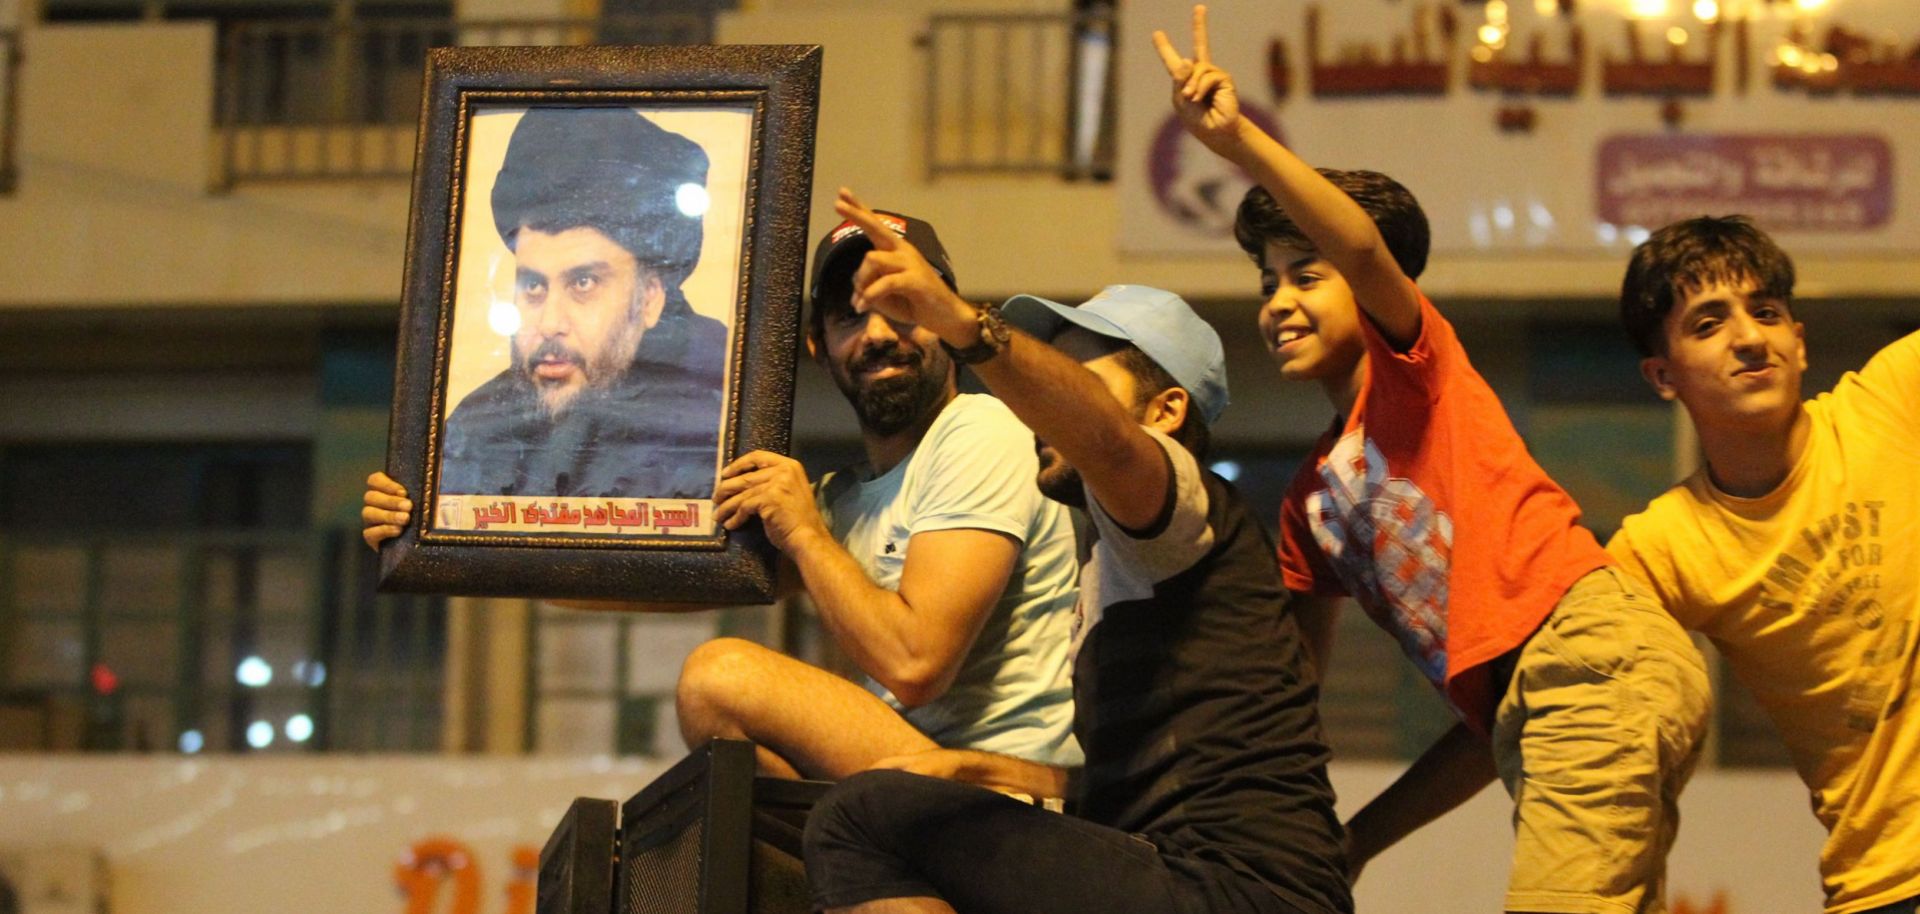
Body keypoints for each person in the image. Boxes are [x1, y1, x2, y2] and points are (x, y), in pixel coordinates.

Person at [1153, 8, 1709, 913]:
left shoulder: (1420, 372)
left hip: (1595, 658)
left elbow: (1364, 248)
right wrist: (1352, 839)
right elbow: (1301, 701)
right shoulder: (1309, 509)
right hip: (1538, 705)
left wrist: (1239, 141)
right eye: (1267, 283)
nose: (1279, 302)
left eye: (1306, 273)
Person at [365, 211, 1082, 781]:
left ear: (947, 317)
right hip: (911, 787)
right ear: (814, 344)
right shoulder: (845, 501)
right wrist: (440, 524)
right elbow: (648, 574)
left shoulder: (979, 428)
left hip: (1004, 791)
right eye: (849, 316)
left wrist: (803, 534)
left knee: (720, 677)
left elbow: (917, 664)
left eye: (903, 307)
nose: (878, 335)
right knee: (721, 729)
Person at [802, 190, 1350, 914]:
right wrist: (978, 766)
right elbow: (1130, 783)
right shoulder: (1111, 571)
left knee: (859, 819)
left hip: (1236, 890)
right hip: (1183, 875)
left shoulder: (1181, 505)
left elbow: (1110, 442)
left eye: (1074, 385)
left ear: (1165, 412)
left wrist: (966, 327)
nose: (1035, 411)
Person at [1607, 216, 1919, 914]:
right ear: (1663, 375)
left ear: (1798, 342)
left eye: (1767, 312)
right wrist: (1369, 834)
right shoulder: (1662, 548)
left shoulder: (1896, 401)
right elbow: (1547, 694)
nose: (1750, 338)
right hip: (1888, 884)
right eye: (1709, 323)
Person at [439, 106, 728, 500]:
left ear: (650, 299)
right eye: (534, 287)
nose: (550, 323)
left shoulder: (723, 416)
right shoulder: (474, 428)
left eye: (583, 283)